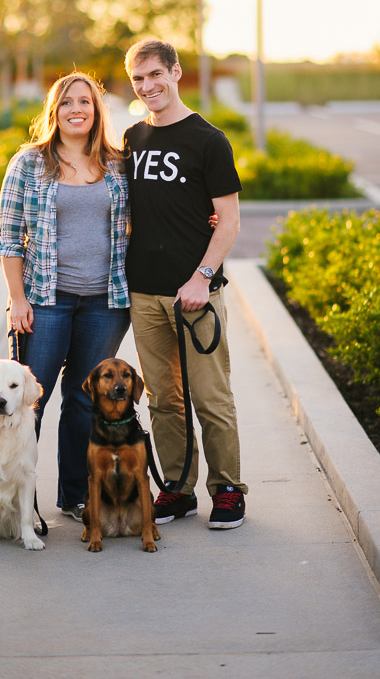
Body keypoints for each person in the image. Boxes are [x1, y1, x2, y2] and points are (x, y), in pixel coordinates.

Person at [122, 38, 247, 529]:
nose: (148, 86)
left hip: (196, 293)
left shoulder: (208, 140)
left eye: (155, 74)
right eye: (138, 79)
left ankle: (229, 489)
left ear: (175, 72)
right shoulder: (131, 139)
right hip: (144, 292)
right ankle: (177, 487)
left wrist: (202, 276)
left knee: (211, 396)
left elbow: (230, 220)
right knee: (163, 398)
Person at [0, 72, 130, 520]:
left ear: (97, 111)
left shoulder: (117, 163)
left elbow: (151, 213)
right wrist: (18, 299)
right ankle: (20, 502)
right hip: (46, 300)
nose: (77, 109)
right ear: (55, 111)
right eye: (68, 102)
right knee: (29, 400)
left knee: (82, 399)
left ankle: (74, 496)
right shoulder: (29, 162)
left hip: (104, 304)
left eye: (86, 102)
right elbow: (10, 236)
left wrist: (204, 219)